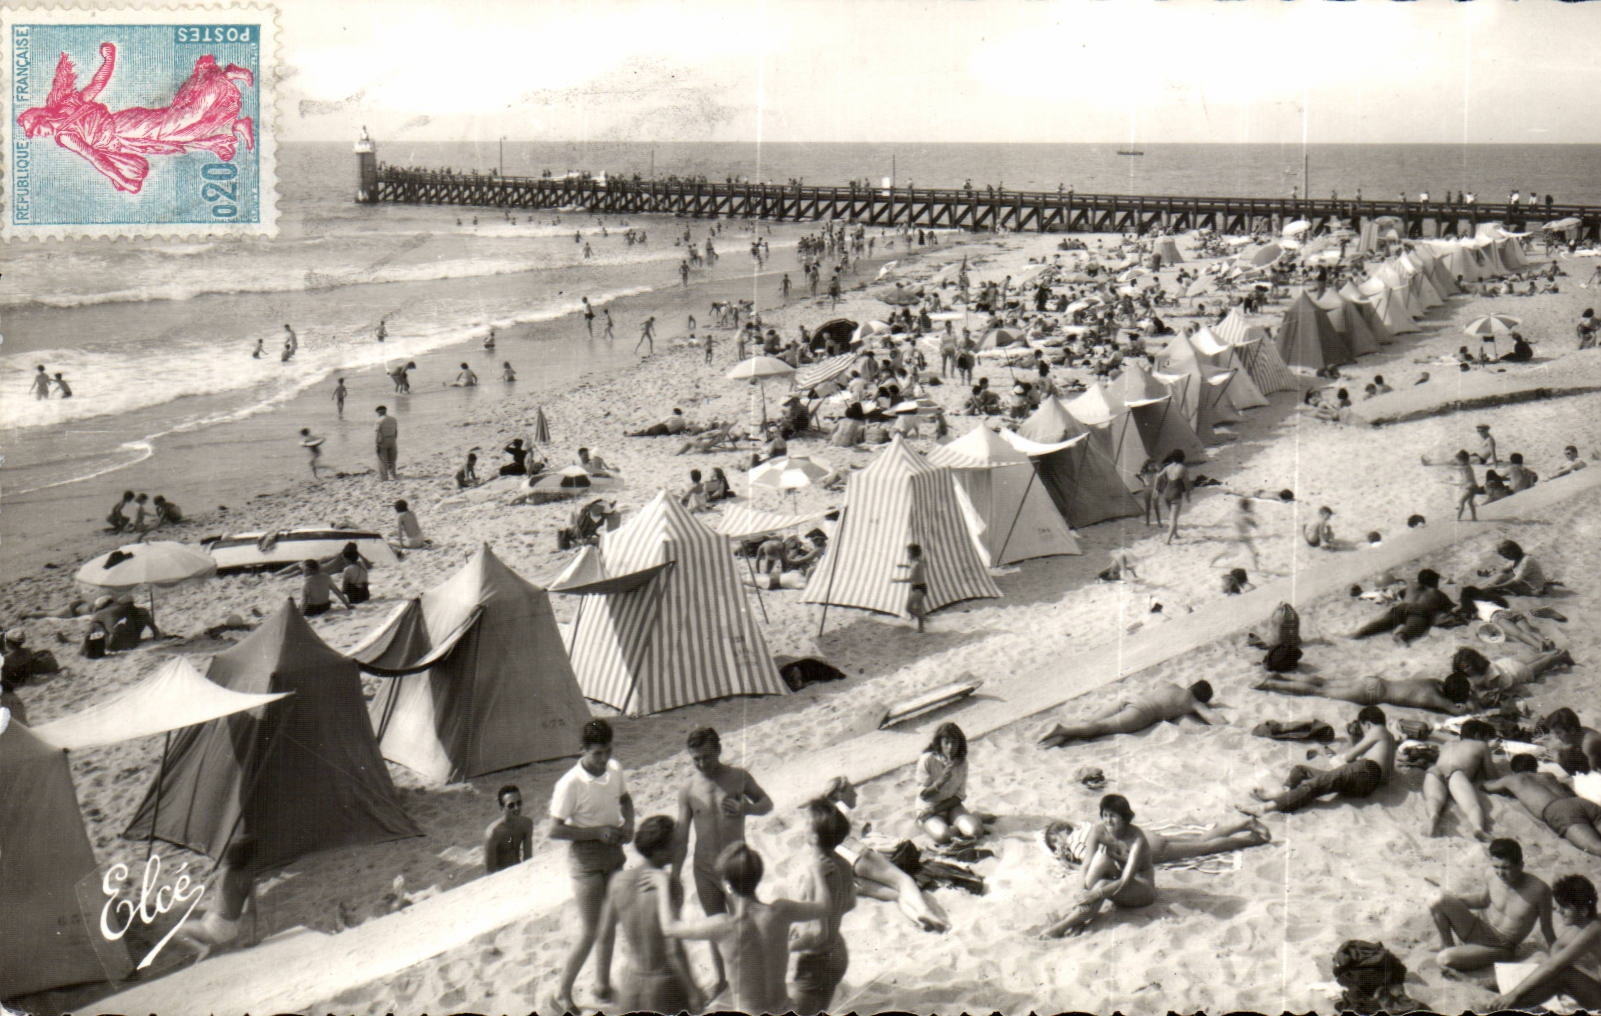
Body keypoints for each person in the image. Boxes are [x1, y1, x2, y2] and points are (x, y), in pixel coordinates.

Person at [647, 841, 831, 1014]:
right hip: (784, 1009)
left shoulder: (723, 926)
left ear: (727, 885)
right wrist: (817, 872)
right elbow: (825, 907)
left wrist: (663, 884)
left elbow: (669, 928)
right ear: (757, 877)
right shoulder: (781, 911)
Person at [671, 727, 774, 999]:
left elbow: (767, 803)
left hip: (735, 866)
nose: (702, 764)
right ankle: (721, 980)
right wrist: (674, 874)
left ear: (718, 749)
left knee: (746, 922)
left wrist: (748, 809)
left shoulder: (738, 777)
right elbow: (681, 836)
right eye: (696, 759)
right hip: (704, 868)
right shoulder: (688, 789)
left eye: (706, 757)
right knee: (715, 925)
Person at [550, 718, 635, 1013]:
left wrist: (630, 825)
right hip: (585, 860)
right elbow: (554, 830)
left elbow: (626, 800)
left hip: (613, 854)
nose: (603, 759)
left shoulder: (615, 769)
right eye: (597, 753)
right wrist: (596, 833)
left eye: (608, 751)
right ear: (582, 750)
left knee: (610, 922)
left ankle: (601, 983)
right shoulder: (569, 783)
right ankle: (562, 991)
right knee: (590, 929)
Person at [597, 816, 702, 1014]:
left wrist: (601, 981)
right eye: (674, 843)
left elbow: (604, 935)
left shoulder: (618, 881)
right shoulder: (668, 885)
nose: (680, 846)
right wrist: (692, 990)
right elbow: (674, 948)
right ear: (659, 852)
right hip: (663, 984)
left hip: (631, 981)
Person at [819, 777, 949, 932]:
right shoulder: (840, 809)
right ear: (839, 794)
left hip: (847, 869)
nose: (856, 794)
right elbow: (854, 837)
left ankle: (920, 921)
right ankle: (924, 911)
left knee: (896, 894)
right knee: (904, 881)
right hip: (859, 856)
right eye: (851, 790)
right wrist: (861, 844)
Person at [1428, 837, 1556, 972]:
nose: (1500, 873)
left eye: (1506, 868)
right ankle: (1447, 944)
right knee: (1436, 897)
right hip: (1476, 925)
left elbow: (1546, 928)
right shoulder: (1491, 874)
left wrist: (1557, 956)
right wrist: (1454, 901)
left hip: (1499, 947)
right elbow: (1482, 900)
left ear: (1521, 865)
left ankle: (1454, 952)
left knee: (1444, 958)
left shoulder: (1539, 890)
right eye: (1496, 867)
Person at [1041, 794, 1156, 938]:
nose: (1108, 820)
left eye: (1113, 816)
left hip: (1142, 888)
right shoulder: (1099, 831)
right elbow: (1085, 866)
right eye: (1105, 815)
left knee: (1101, 885)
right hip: (1119, 879)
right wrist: (1081, 893)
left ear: (1124, 817)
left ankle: (1063, 926)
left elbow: (1125, 880)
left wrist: (1094, 894)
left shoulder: (1136, 839)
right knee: (1102, 858)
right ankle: (1078, 917)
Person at [788, 799, 858, 1016]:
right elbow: (850, 903)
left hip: (815, 962)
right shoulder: (844, 864)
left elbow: (818, 932)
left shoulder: (812, 874)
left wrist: (787, 947)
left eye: (806, 822)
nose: (802, 824)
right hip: (837, 952)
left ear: (814, 837)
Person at [1491, 874, 1601, 1011]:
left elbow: (1553, 966)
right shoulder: (1584, 923)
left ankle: (1514, 1005)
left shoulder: (1594, 929)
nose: (1558, 910)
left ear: (1583, 911)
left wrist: (1514, 994)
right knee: (1542, 958)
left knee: (1561, 971)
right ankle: (1500, 986)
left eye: (1565, 907)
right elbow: (1557, 947)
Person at [1038, 681, 1220, 749]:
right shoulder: (1192, 702)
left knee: (1092, 722)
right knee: (1102, 728)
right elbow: (1215, 720)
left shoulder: (1171, 685)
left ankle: (1062, 737)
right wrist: (1205, 709)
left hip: (1131, 700)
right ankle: (1064, 730)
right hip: (1142, 713)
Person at [1484, 756, 1601, 857]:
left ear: (1513, 770)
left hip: (1558, 810)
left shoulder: (1513, 779)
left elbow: (1488, 786)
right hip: (1579, 802)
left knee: (1597, 847)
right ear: (1535, 767)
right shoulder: (1548, 775)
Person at [173, 837, 257, 961]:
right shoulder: (248, 878)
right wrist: (252, 938)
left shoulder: (221, 873)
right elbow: (251, 911)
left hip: (216, 929)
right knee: (209, 912)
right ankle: (213, 945)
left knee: (177, 931)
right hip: (233, 929)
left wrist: (179, 905)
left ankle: (202, 949)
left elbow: (197, 895)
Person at [1253, 670, 1476, 714]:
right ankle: (1272, 685)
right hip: (1372, 695)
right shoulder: (1436, 699)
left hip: (1374, 681)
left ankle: (1281, 678)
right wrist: (1470, 699)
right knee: (1319, 691)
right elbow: (1461, 711)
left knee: (1324, 682)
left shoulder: (1433, 683)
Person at [1423, 720, 1496, 839]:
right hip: (1455, 772)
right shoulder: (1482, 746)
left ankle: (1433, 815)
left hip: (1434, 770)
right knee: (1472, 806)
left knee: (1434, 798)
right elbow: (1491, 776)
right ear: (1478, 736)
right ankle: (1478, 828)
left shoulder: (1448, 744)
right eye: (1487, 738)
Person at [1348, 568, 1456, 644]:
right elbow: (1451, 607)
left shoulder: (1411, 586)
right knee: (1413, 627)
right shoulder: (1437, 593)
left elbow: (1400, 595)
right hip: (1419, 612)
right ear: (1434, 583)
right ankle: (1401, 636)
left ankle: (1359, 633)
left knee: (1382, 623)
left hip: (1402, 608)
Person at [916, 722, 982, 843]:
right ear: (939, 743)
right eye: (946, 742)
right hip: (929, 807)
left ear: (960, 744)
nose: (950, 747)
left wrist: (937, 809)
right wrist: (941, 781)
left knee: (975, 831)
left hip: (951, 805)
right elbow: (923, 795)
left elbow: (959, 796)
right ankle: (955, 825)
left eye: (954, 742)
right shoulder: (927, 759)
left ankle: (961, 822)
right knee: (943, 836)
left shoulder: (962, 763)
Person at [484, 784, 534, 874]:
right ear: (501, 808)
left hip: (521, 872)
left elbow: (528, 859)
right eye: (511, 805)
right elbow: (490, 871)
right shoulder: (493, 833)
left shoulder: (527, 824)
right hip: (501, 877)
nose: (516, 808)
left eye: (519, 803)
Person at [1484, 539, 1548, 596]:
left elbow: (1516, 581)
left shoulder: (1526, 561)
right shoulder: (1519, 558)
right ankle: (1488, 588)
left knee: (1504, 580)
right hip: (1528, 582)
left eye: (1505, 555)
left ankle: (1488, 590)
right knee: (1502, 576)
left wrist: (1496, 587)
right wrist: (1492, 572)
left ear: (1512, 552)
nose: (1505, 558)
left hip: (1534, 589)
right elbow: (1504, 569)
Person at [1210, 498, 1260, 570]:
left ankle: (1257, 568)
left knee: (1237, 553)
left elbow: (1225, 519)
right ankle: (1214, 560)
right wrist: (1254, 523)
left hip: (1240, 536)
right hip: (1240, 537)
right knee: (1248, 552)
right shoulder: (1244, 515)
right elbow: (1251, 523)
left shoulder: (1237, 513)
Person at [1155, 449, 1191, 544]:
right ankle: (1168, 540)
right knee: (1173, 518)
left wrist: (1156, 489)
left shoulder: (1168, 467)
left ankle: (1175, 534)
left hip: (1166, 493)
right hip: (1176, 494)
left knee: (1172, 515)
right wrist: (1188, 494)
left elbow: (1158, 476)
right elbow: (1187, 483)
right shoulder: (1182, 468)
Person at [891, 543, 928, 633]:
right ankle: (921, 628)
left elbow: (911, 579)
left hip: (919, 588)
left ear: (913, 554)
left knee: (908, 608)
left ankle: (922, 616)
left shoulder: (917, 564)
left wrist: (897, 581)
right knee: (918, 607)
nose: (907, 555)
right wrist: (903, 566)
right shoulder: (916, 562)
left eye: (909, 553)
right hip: (918, 587)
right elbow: (911, 566)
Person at [374, 406, 399, 481]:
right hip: (392, 439)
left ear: (379, 412)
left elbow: (377, 433)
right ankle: (393, 475)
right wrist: (394, 440)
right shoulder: (393, 419)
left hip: (383, 440)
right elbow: (396, 431)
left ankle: (384, 477)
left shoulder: (379, 421)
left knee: (382, 460)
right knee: (392, 459)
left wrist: (377, 444)